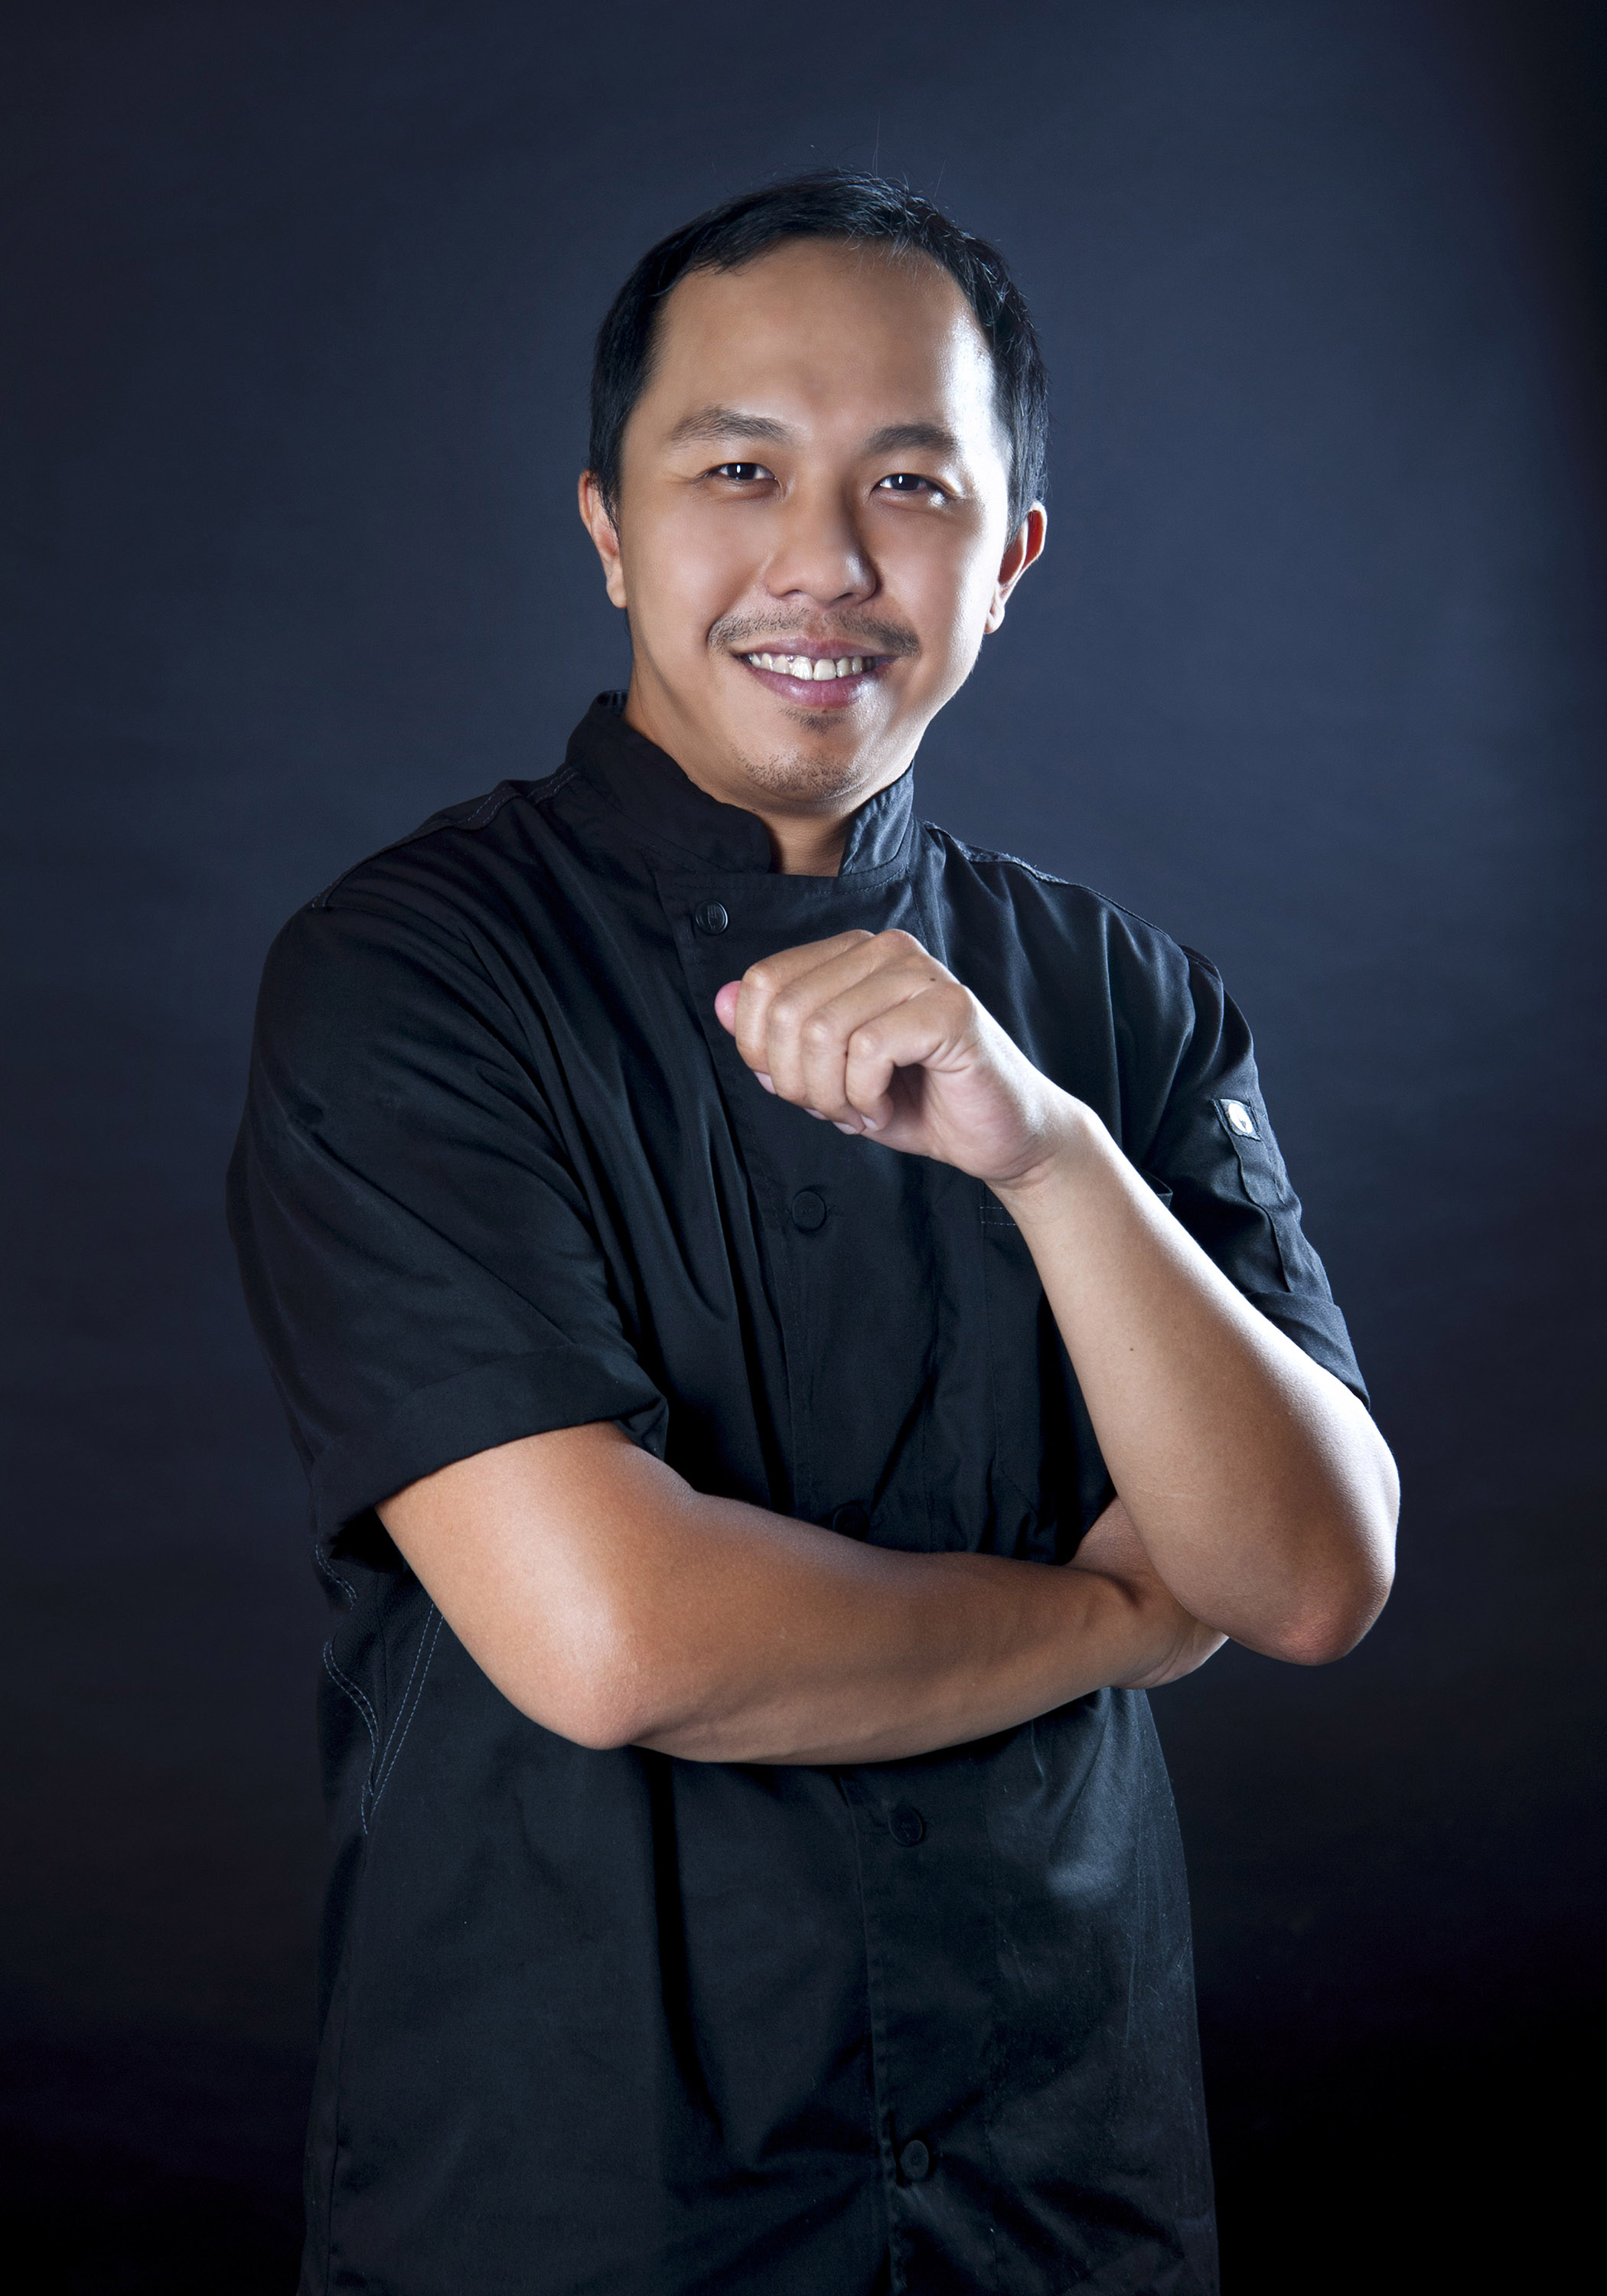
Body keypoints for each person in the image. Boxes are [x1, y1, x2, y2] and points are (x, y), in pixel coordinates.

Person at [228, 171, 1398, 2296]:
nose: (826, 564)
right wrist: (1121, 1617)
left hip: (1062, 2178)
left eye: (912, 486)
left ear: (1010, 557)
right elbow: (616, 1635)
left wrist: (1053, 1161)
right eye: (739, 469)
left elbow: (1309, 1572)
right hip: (581, 2189)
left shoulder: (1118, 1002)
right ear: (609, 523)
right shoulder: (410, 979)